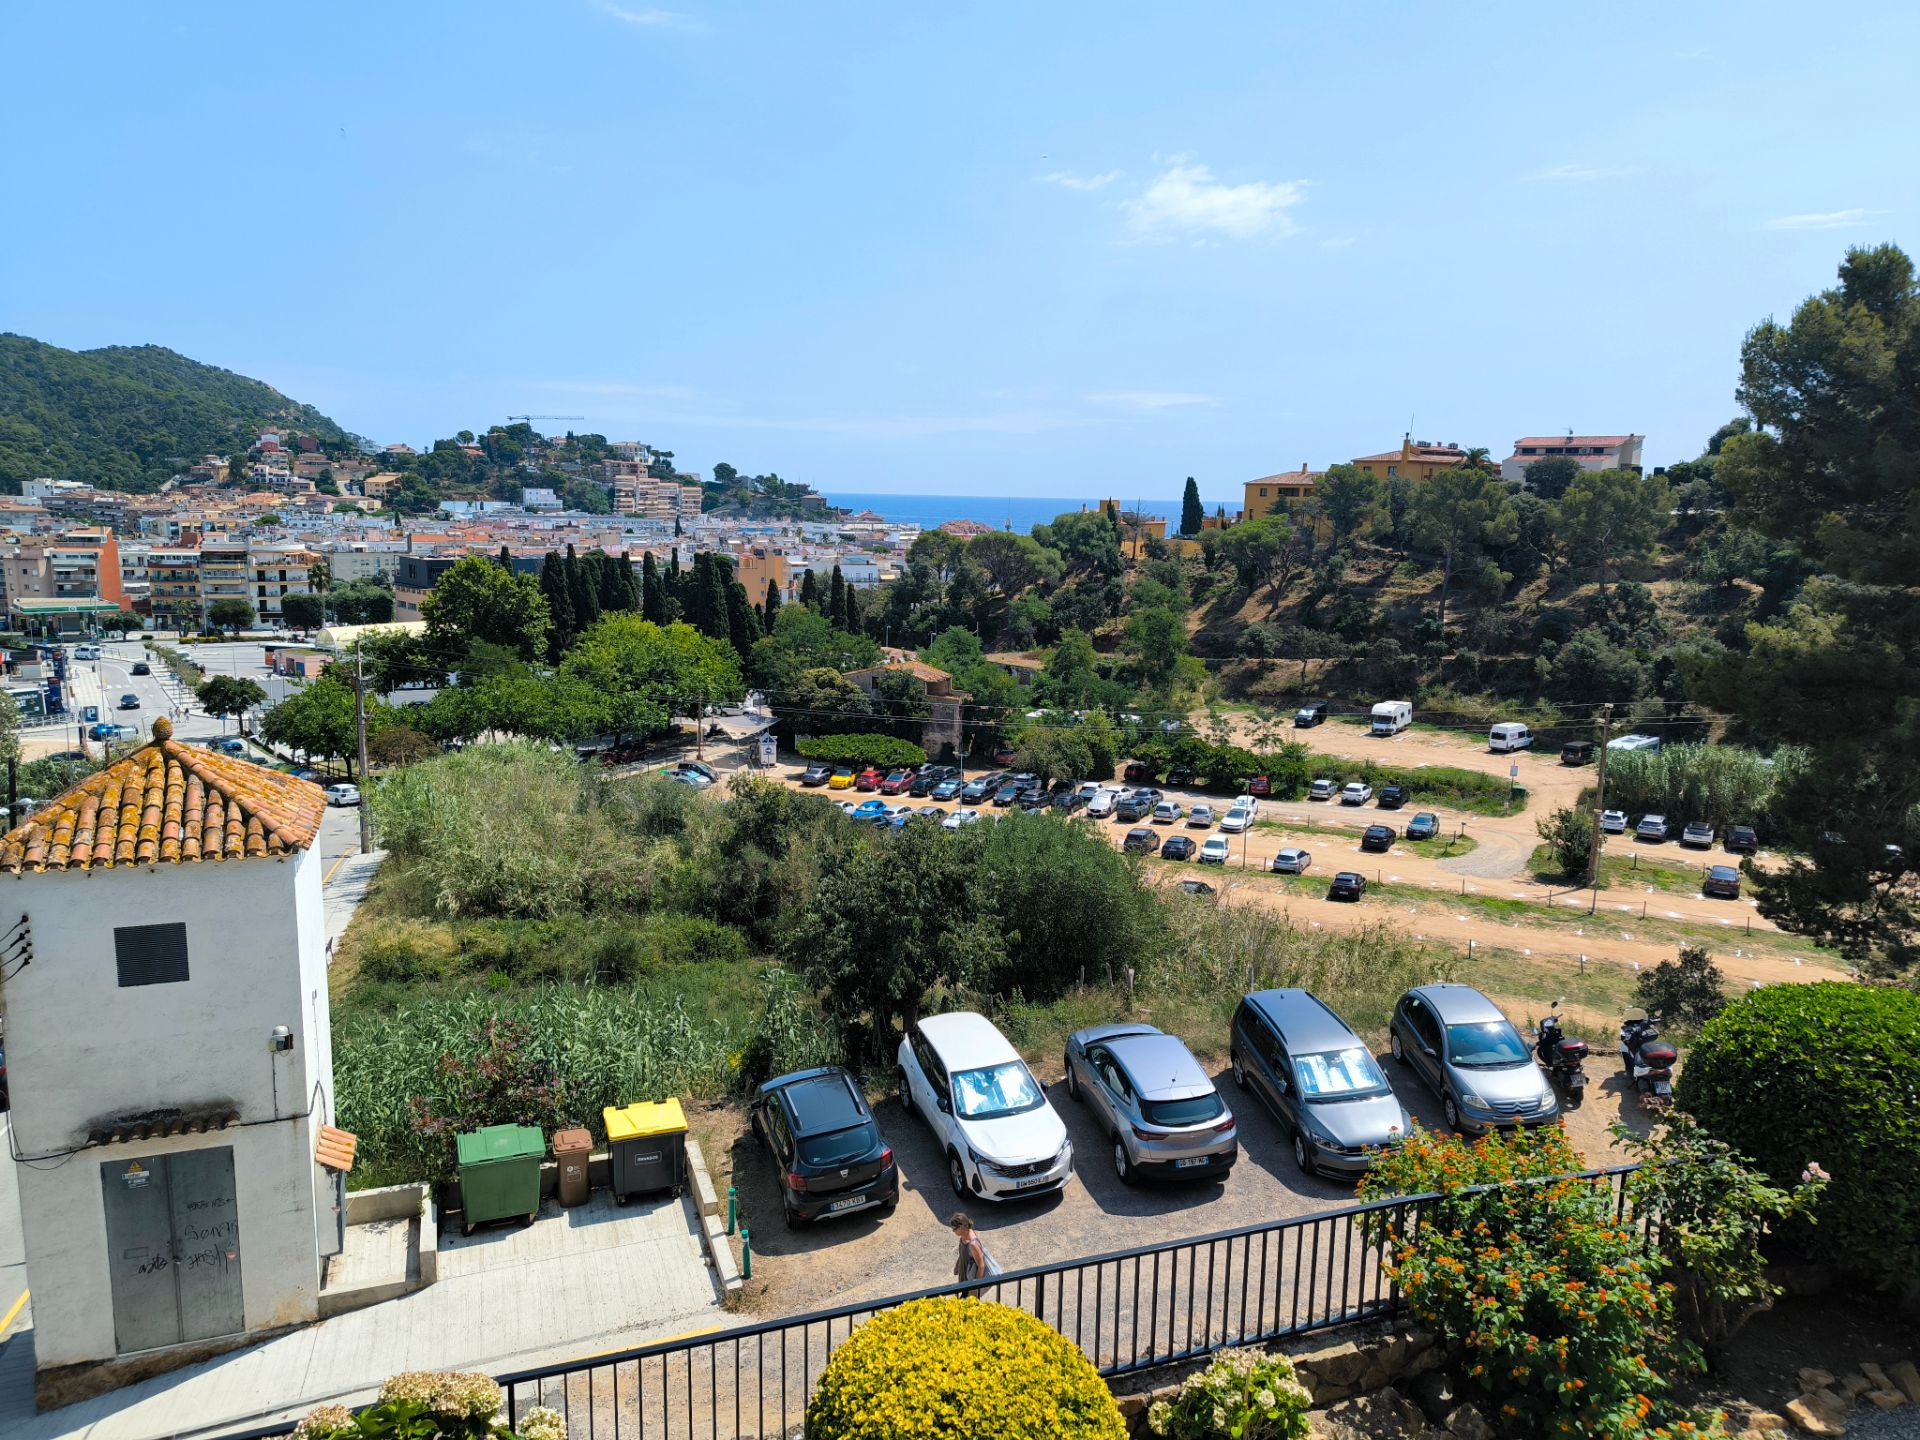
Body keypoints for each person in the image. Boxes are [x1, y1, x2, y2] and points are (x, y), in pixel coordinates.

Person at [949, 1212, 1001, 1287]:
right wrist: (957, 1266)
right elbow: (962, 1253)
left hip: (970, 1280)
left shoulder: (973, 1244)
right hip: (964, 1273)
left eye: (954, 1229)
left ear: (961, 1227)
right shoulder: (964, 1235)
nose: (953, 1231)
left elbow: (981, 1265)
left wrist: (975, 1286)